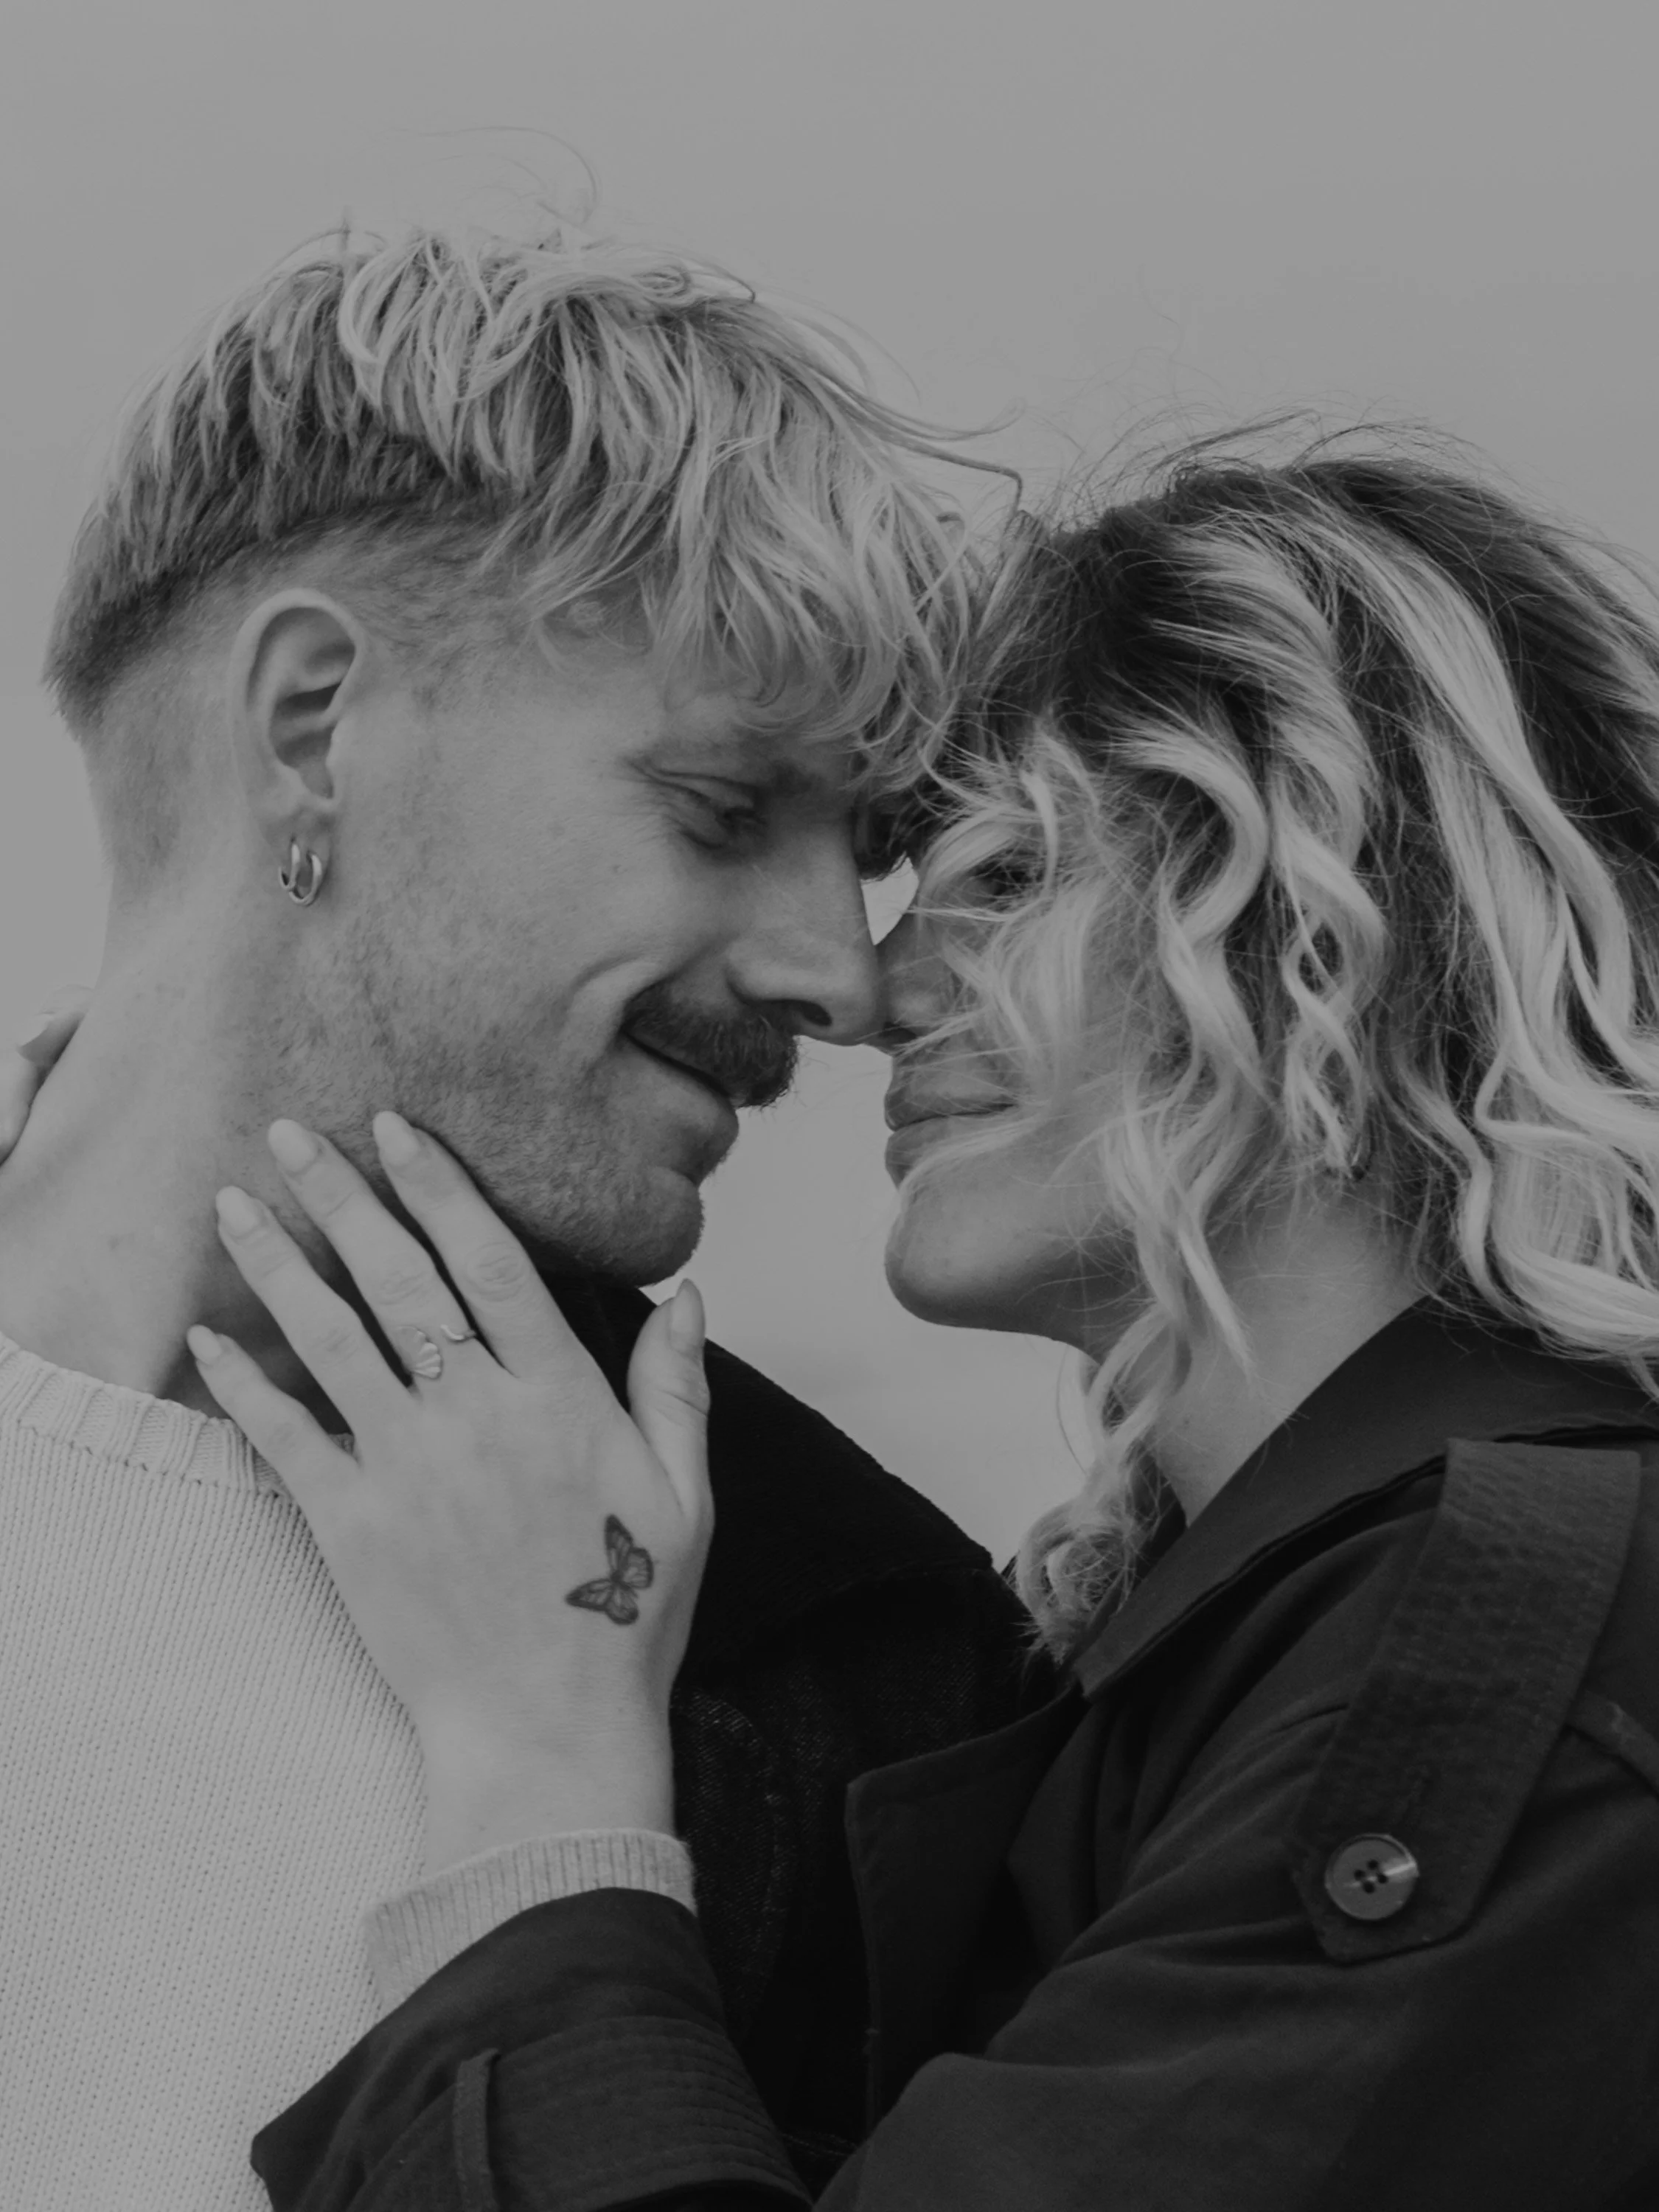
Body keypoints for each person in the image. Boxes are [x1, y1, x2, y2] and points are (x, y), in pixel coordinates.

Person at [187, 437, 1659, 2208]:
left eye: (1007, 878)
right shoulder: (1215, 1645)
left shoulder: (1528, 1630)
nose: (881, 994)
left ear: (1312, 931)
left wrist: (545, 1766)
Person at [0, 219, 1049, 2211]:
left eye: (874, 853)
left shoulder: (883, 1676)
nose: (847, 978)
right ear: (315, 721)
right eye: (725, 812)